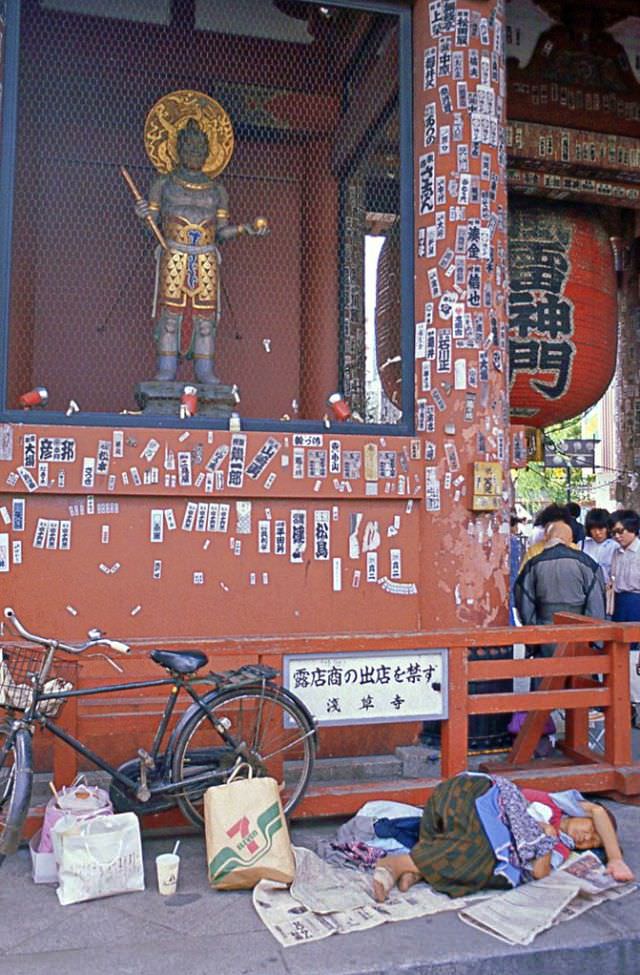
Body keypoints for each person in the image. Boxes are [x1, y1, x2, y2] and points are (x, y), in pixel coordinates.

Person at [134, 117, 267, 383]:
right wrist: (143, 216)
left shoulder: (217, 189)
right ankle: (166, 370)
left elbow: (221, 232)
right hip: (173, 251)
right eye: (189, 147)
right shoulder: (164, 183)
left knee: (206, 318)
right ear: (178, 149)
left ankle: (204, 371)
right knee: (170, 314)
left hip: (205, 254)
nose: (194, 152)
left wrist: (246, 228)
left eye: (199, 148)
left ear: (208, 152)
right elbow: (152, 227)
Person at [371, 773, 634, 902]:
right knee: (479, 845)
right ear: (581, 812)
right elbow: (599, 810)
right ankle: (400, 864)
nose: (587, 837)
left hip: (467, 831)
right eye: (592, 829)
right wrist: (615, 859)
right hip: (469, 793)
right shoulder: (558, 804)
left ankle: (412, 866)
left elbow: (540, 873)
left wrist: (543, 840)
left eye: (591, 843)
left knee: (485, 859)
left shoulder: (560, 845)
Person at [514, 521, 605, 656]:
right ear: (569, 539)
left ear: (547, 537)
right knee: (581, 673)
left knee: (546, 674)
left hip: (545, 632)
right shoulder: (587, 563)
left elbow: (524, 603)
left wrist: (533, 638)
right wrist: (594, 639)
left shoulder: (534, 564)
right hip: (579, 633)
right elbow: (596, 603)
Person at [609, 509, 640, 724]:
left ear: (633, 529)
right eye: (614, 532)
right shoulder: (616, 553)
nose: (617, 536)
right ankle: (625, 705)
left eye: (621, 531)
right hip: (620, 604)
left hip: (637, 603)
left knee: (636, 656)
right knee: (621, 654)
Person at [580, 507, 618, 586]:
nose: (597, 533)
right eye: (593, 529)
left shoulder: (616, 546)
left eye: (601, 528)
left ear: (608, 528)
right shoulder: (582, 545)